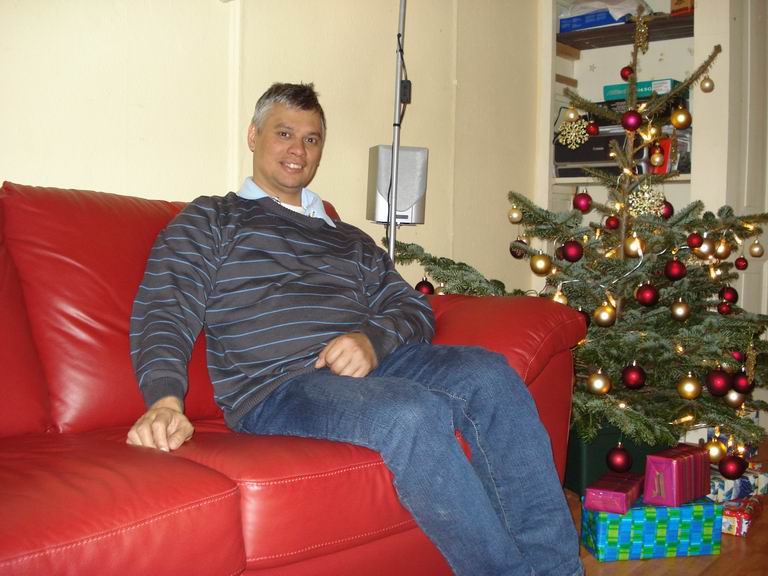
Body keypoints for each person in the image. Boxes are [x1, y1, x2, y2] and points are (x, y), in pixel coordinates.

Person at [127, 82, 583, 576]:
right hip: (278, 385)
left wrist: (372, 341)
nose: (298, 150)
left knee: (491, 376)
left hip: (379, 366)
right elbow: (165, 307)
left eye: (311, 139)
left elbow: (412, 308)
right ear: (254, 136)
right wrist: (165, 400)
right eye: (284, 133)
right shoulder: (212, 218)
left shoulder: (348, 239)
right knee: (410, 413)